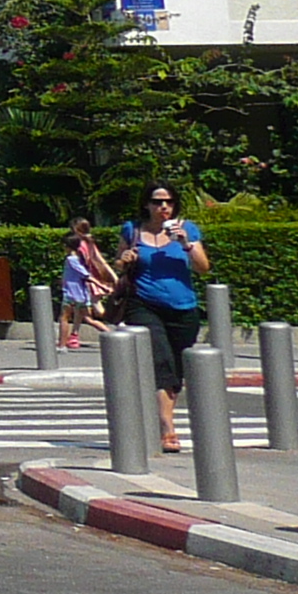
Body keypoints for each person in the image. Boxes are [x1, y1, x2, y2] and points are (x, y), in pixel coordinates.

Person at [119, 186, 212, 453]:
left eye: (169, 202)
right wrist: (124, 259)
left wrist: (185, 244)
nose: (164, 207)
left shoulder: (188, 230)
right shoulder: (132, 230)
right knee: (161, 360)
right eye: (157, 201)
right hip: (144, 305)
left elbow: (203, 268)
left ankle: (164, 417)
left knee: (176, 369)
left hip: (183, 307)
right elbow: (119, 262)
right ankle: (167, 427)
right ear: (146, 204)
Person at [57, 217, 118, 349]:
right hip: (83, 292)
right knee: (88, 318)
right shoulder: (87, 246)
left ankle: (62, 345)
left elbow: (86, 274)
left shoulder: (72, 258)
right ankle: (110, 334)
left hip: (74, 293)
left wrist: (102, 285)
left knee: (64, 318)